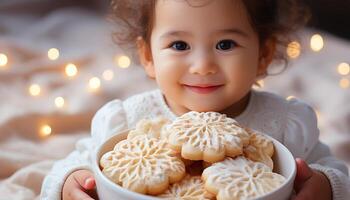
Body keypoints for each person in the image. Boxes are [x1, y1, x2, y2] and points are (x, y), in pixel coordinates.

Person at [41, 0, 350, 199]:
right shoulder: (130, 121)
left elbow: (334, 170)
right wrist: (71, 183)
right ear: (148, 56)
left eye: (225, 44)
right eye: (179, 45)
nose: (203, 65)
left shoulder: (283, 123)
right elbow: (71, 165)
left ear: (263, 54)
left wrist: (325, 185)